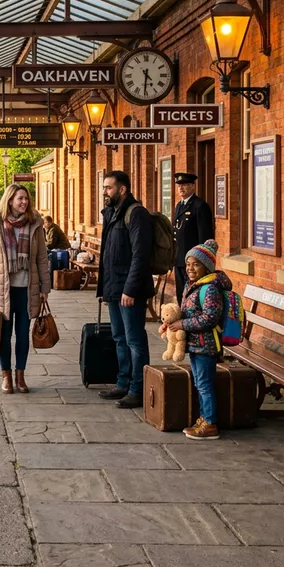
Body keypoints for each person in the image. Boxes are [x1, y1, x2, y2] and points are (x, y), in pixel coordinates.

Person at [0, 184, 51, 395]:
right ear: (10, 200)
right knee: (4, 335)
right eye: (20, 198)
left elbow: (41, 258)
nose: (24, 202)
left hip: (27, 289)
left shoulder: (35, 224)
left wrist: (45, 287)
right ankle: (6, 377)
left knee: (22, 335)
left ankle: (20, 377)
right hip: (3, 290)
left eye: (26, 199)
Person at [96, 170, 154, 409]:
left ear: (122, 189)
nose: (104, 192)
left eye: (109, 188)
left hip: (131, 291)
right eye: (104, 188)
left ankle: (138, 388)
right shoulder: (112, 213)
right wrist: (105, 292)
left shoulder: (136, 213)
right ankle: (123, 382)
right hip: (114, 289)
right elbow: (107, 257)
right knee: (119, 338)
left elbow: (140, 256)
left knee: (134, 340)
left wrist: (129, 290)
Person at [164, 239, 227, 440]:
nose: (190, 268)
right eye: (188, 264)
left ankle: (210, 423)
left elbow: (210, 318)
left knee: (204, 383)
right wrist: (172, 322)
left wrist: (182, 325)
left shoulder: (210, 289)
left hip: (206, 344)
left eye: (196, 264)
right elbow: (187, 311)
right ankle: (203, 418)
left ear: (206, 267)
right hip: (195, 343)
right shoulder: (194, 285)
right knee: (200, 383)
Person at [173, 172, 214, 304]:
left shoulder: (200, 206)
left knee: (193, 296)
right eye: (179, 185)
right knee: (181, 294)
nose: (181, 188)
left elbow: (205, 237)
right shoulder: (179, 206)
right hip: (179, 259)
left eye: (184, 185)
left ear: (193, 187)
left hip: (194, 262)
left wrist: (201, 262)